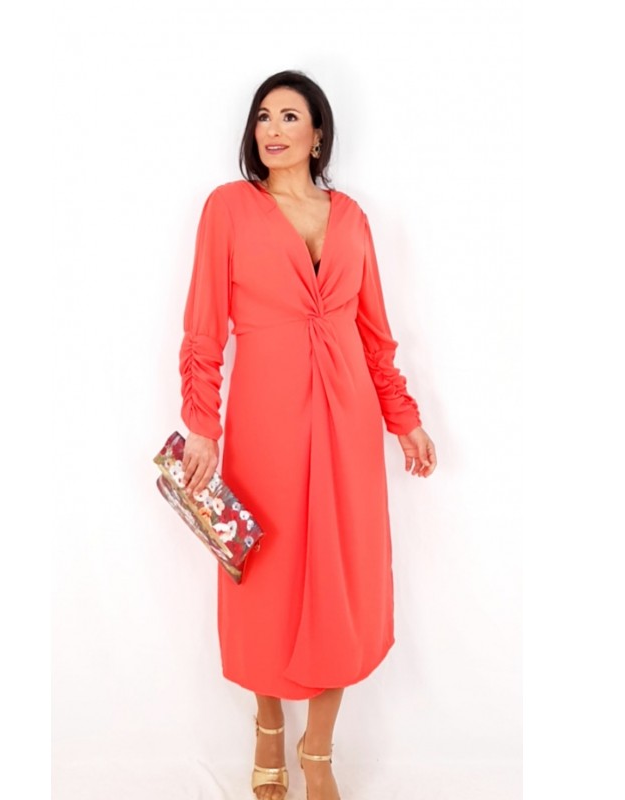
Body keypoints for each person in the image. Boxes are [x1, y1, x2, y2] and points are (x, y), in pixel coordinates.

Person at [178, 69, 437, 800]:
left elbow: (375, 333)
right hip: (265, 420)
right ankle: (268, 724)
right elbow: (203, 330)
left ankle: (316, 748)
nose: (273, 129)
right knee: (262, 571)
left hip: (347, 420)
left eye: (290, 116)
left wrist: (404, 417)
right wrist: (201, 426)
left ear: (318, 134)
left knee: (343, 578)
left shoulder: (351, 218)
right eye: (263, 116)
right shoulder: (228, 209)